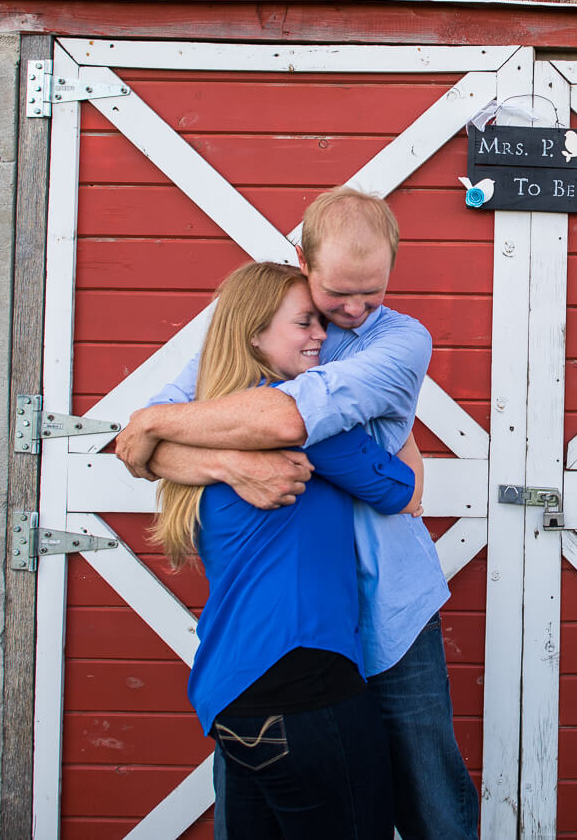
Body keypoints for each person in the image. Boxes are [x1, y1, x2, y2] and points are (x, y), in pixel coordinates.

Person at [117, 187, 479, 840]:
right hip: (292, 632)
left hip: (391, 607)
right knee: (267, 808)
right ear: (302, 260)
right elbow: (141, 452)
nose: (353, 310)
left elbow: (285, 417)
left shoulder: (399, 340)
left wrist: (163, 424)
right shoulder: (271, 318)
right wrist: (231, 462)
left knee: (431, 801)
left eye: (373, 291)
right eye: (338, 293)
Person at [153, 260, 420, 837]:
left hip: (233, 692)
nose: (322, 335)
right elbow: (400, 489)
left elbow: (139, 441)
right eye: (305, 322)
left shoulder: (195, 424)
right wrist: (396, 420)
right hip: (308, 687)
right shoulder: (300, 419)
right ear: (255, 333)